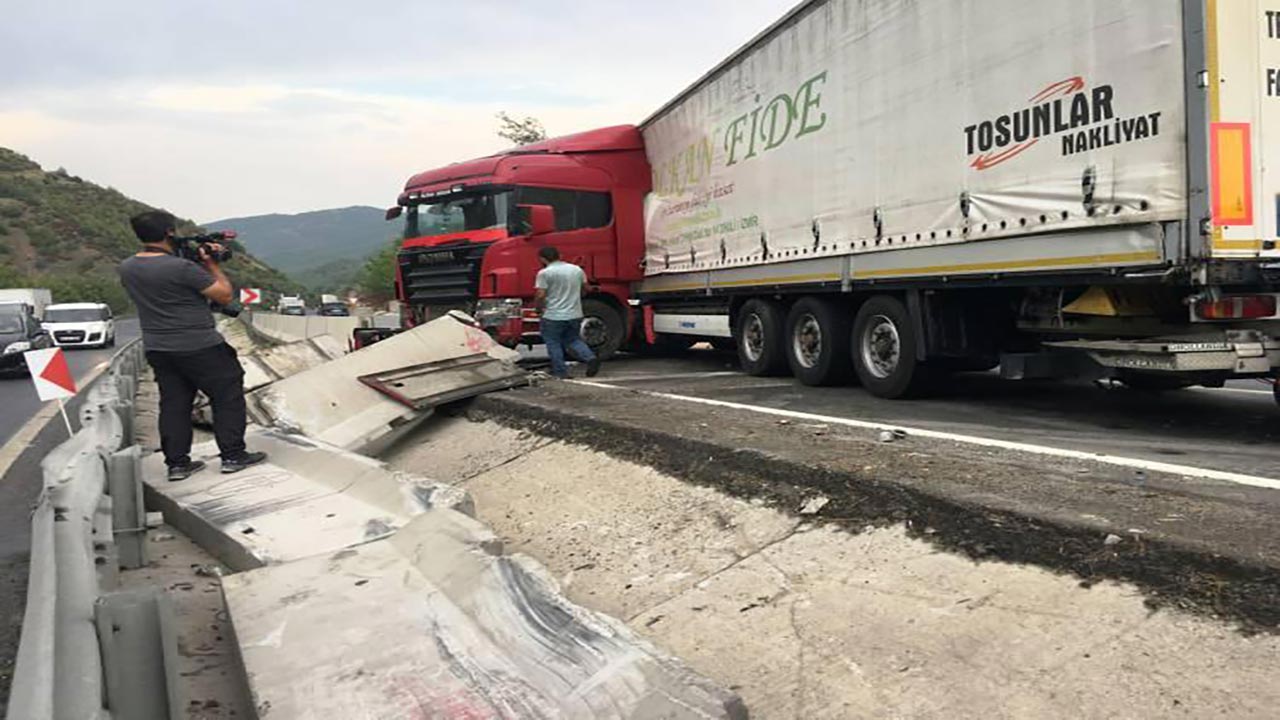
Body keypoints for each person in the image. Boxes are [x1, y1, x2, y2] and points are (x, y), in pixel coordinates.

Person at [118, 211, 266, 480]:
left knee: (174, 403)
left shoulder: (127, 267)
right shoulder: (181, 268)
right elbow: (223, 295)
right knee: (226, 394)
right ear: (169, 232)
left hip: (158, 347)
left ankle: (177, 464)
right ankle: (233, 455)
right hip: (199, 344)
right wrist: (211, 264)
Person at [534, 246, 600, 379]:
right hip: (575, 314)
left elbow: (540, 295)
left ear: (542, 259)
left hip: (553, 316)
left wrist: (538, 308)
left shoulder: (544, 273)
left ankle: (561, 372)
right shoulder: (576, 270)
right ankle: (590, 358)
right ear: (560, 255)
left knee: (553, 343)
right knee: (573, 339)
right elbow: (585, 289)